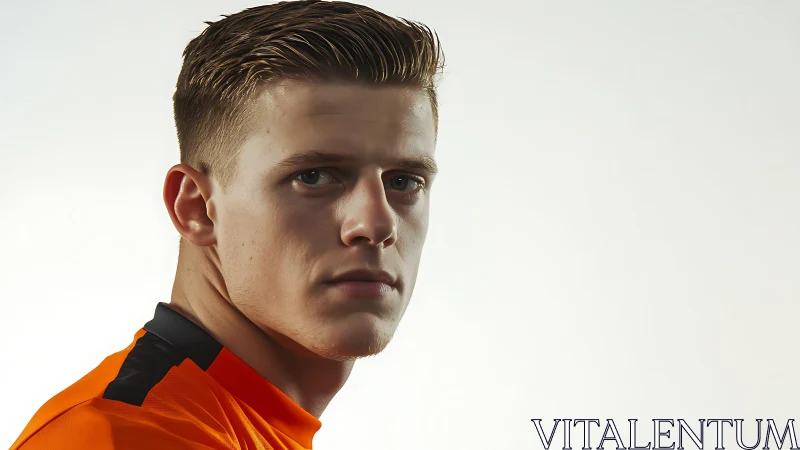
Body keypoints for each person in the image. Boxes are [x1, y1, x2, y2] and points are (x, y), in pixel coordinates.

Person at [11, 1, 444, 448]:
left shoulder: (231, 426)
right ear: (196, 208)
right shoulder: (125, 437)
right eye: (313, 177)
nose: (376, 223)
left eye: (403, 181)